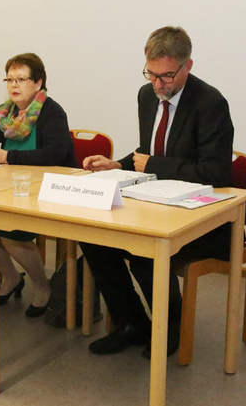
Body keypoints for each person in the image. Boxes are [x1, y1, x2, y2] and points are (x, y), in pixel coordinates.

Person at [80, 26, 234, 358]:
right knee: (94, 236)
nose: (157, 84)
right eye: (151, 74)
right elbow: (147, 152)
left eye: (166, 76)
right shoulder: (146, 95)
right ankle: (131, 322)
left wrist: (151, 163)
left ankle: (171, 328)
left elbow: (216, 172)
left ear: (187, 66)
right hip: (156, 202)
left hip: (204, 218)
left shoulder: (211, 103)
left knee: (142, 248)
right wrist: (116, 164)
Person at [0, 53, 76, 317]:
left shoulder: (51, 112)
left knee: (9, 233)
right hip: (12, 189)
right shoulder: (6, 113)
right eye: (10, 79)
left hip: (48, 189)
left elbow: (55, 155)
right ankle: (12, 277)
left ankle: (42, 286)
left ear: (38, 83)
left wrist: (6, 156)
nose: (14, 86)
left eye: (21, 79)